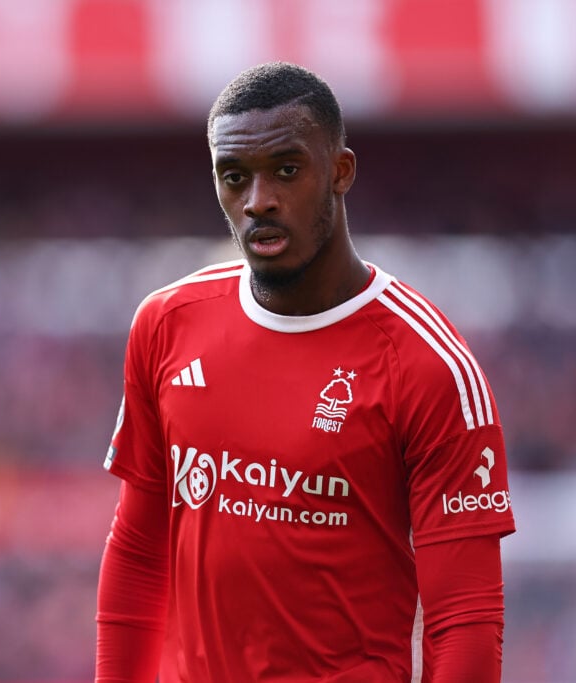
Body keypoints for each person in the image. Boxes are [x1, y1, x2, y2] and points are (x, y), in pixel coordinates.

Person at [95, 61, 516, 682]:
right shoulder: (167, 324)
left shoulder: (429, 365)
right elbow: (137, 552)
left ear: (341, 171)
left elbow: (467, 620)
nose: (258, 200)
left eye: (286, 170)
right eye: (234, 177)